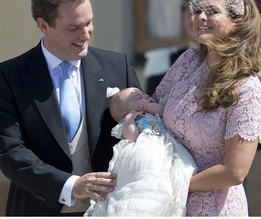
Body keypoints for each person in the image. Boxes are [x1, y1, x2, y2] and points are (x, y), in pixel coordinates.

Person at [0, 0, 141, 216]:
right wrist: (70, 186)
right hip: (38, 209)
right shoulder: (9, 76)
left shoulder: (117, 67)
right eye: (74, 27)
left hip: (111, 209)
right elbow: (10, 152)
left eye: (89, 22)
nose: (86, 33)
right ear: (43, 25)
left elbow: (144, 137)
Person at [152, 0, 261, 216]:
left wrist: (175, 185)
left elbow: (234, 172)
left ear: (237, 21)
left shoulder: (247, 86)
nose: (200, 17)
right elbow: (152, 108)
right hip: (166, 205)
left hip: (213, 207)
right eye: (196, 11)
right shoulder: (187, 61)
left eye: (212, 11)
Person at [84, 87, 197, 216]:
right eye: (139, 98)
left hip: (166, 145)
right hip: (146, 148)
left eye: (144, 95)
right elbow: (132, 136)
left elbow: (164, 111)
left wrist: (148, 106)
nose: (146, 98)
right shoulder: (132, 121)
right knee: (144, 170)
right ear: (124, 114)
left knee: (181, 169)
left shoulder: (154, 110)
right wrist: (130, 119)